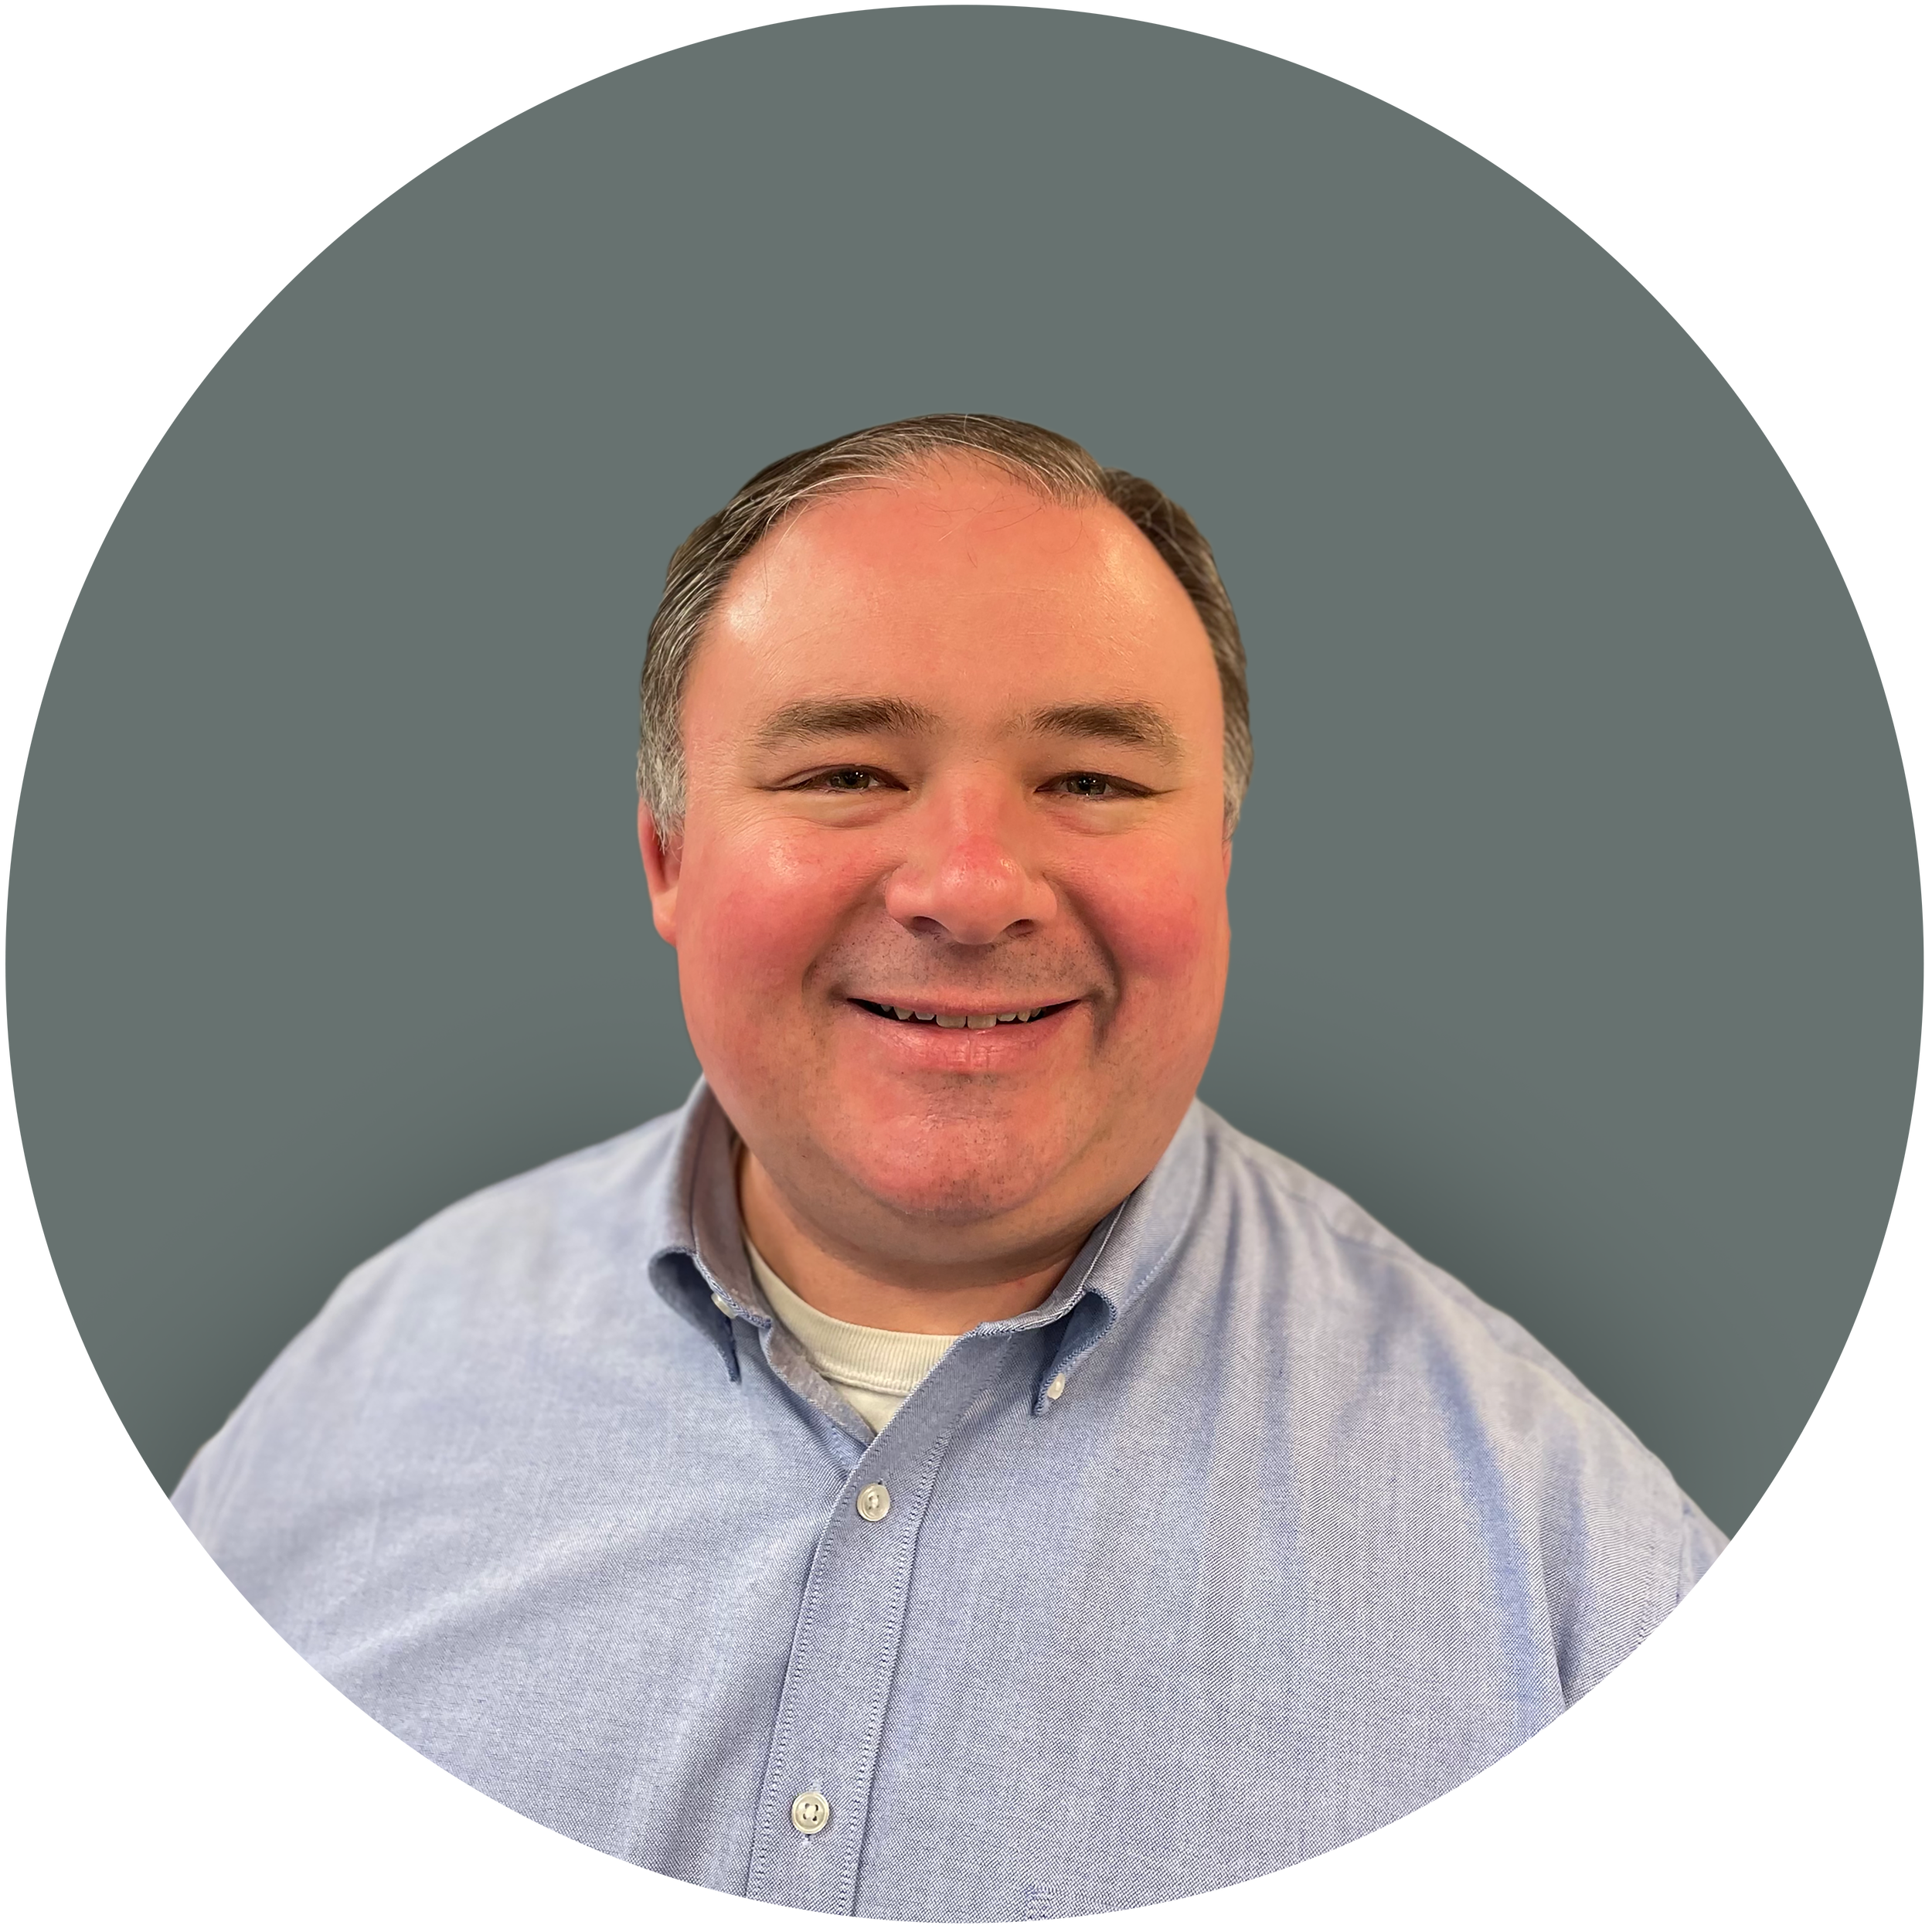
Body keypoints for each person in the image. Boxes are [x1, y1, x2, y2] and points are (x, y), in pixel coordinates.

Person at [166, 414, 1729, 1924]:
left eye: (1091, 781)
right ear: (667, 857)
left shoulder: (1586, 1585)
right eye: (846, 771)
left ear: (1220, 858)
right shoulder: (360, 1388)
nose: (970, 890)